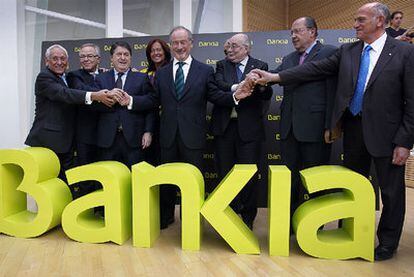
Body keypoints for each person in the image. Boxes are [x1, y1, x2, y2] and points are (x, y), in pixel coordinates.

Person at [247, 2, 414, 261]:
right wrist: (274, 77)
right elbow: (313, 69)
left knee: (391, 192)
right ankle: (354, 234)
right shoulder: (348, 51)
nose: (355, 24)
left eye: (361, 20)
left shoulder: (403, 52)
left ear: (380, 21)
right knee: (353, 189)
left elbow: (412, 101)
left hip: (389, 136)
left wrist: (405, 141)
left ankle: (387, 244)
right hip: (354, 132)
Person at [126, 26, 253, 229]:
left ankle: (191, 220)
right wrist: (131, 100)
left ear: (191, 44)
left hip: (193, 136)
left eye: (183, 42)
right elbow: (152, 100)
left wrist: (234, 97)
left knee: (193, 182)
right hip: (167, 136)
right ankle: (166, 217)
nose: (179, 47)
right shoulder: (162, 73)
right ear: (170, 45)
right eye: (175, 43)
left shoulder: (204, 70)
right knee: (166, 181)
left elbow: (215, 96)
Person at [25, 44, 116, 195]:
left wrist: (102, 73)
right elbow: (65, 94)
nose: (59, 62)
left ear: (67, 61)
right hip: (49, 141)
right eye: (55, 59)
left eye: (62, 59)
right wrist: (94, 95)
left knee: (64, 182)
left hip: (66, 140)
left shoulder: (65, 77)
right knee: (50, 185)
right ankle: (53, 216)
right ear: (47, 61)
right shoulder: (44, 77)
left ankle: (64, 214)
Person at [271, 17, 337, 221]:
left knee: (315, 180)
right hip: (289, 128)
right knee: (288, 179)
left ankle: (314, 223)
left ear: (313, 32)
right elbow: (275, 75)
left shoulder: (329, 53)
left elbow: (333, 92)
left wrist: (330, 126)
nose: (293, 36)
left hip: (315, 128)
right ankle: (290, 222)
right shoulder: (290, 57)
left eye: (297, 31)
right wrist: (255, 78)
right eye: (292, 32)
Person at [210, 33, 273, 229]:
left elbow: (267, 93)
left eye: (235, 46)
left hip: (249, 131)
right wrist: (240, 87)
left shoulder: (260, 65)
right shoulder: (221, 65)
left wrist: (259, 85)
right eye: (228, 46)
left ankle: (247, 217)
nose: (230, 50)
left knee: (248, 175)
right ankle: (228, 215)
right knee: (225, 174)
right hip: (224, 129)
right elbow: (219, 86)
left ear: (247, 48)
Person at [94, 41, 155, 169]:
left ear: (130, 58)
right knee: (110, 180)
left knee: (135, 181)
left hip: (134, 139)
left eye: (126, 54)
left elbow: (151, 103)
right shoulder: (100, 78)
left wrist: (148, 131)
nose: (123, 58)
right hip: (107, 140)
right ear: (111, 58)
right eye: (119, 54)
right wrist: (109, 98)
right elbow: (93, 106)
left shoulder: (142, 78)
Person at [66, 43, 102, 198]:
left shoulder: (107, 75)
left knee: (103, 173)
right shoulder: (74, 76)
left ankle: (103, 209)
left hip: (105, 133)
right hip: (84, 134)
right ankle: (86, 211)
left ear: (98, 58)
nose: (86, 59)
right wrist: (103, 94)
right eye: (82, 56)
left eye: (90, 56)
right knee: (86, 173)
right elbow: (81, 90)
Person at [140, 39, 172, 166]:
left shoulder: (172, 71)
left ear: (165, 52)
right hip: (147, 123)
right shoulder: (143, 73)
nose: (155, 53)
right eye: (152, 51)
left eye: (159, 50)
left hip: (167, 122)